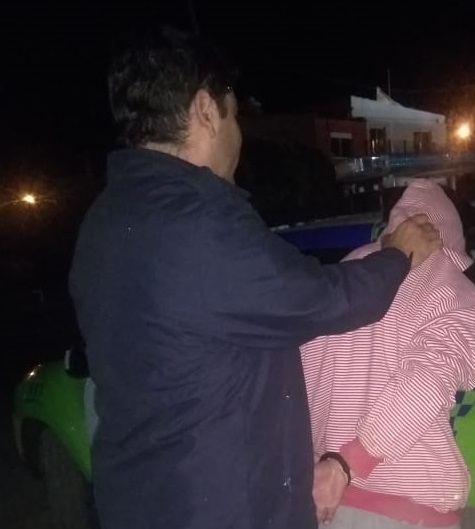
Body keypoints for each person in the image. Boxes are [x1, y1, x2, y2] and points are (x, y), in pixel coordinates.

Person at [68, 26, 441, 529]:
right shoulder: (198, 223)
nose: (238, 133)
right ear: (205, 109)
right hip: (217, 509)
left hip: (143, 499)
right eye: (234, 113)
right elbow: (322, 299)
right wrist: (397, 255)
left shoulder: (105, 220)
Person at [301, 179, 475, 529]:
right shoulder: (453, 292)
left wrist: (320, 467)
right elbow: (425, 384)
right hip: (399, 512)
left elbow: (298, 375)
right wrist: (347, 465)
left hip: (323, 502)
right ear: (451, 236)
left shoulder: (346, 278)